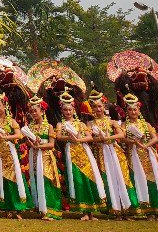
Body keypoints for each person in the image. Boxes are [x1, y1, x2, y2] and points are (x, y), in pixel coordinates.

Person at [54, 91, 104, 219]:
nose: (68, 112)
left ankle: (91, 212)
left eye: (70, 109)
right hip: (71, 153)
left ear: (73, 109)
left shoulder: (81, 124)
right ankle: (83, 211)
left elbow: (89, 137)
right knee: (77, 180)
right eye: (65, 110)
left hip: (84, 152)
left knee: (88, 179)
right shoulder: (60, 124)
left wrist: (78, 139)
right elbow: (58, 137)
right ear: (62, 111)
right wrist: (70, 138)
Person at [0, 92, 30, 218]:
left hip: (10, 150)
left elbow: (19, 135)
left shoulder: (11, 120)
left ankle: (17, 207)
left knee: (14, 177)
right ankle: (6, 207)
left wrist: (5, 137)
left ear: (4, 106)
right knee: (0, 177)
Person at [122, 93, 158, 215]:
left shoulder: (146, 124)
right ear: (126, 111)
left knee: (153, 180)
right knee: (138, 180)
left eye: (135, 109)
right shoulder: (124, 125)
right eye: (130, 110)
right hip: (133, 155)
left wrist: (146, 145)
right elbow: (122, 139)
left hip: (148, 155)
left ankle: (157, 208)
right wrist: (133, 141)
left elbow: (155, 138)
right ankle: (144, 209)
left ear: (139, 110)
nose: (133, 112)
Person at [86, 90, 133, 216]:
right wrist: (100, 139)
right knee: (107, 178)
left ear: (104, 106)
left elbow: (121, 134)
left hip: (114, 152)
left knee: (121, 177)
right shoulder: (90, 124)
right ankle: (113, 207)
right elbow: (89, 138)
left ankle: (126, 206)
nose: (97, 109)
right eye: (94, 107)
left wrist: (109, 138)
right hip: (100, 153)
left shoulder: (111, 121)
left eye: (100, 106)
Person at [22, 95, 62, 220]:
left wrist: (39, 145)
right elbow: (28, 143)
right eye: (31, 111)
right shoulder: (30, 127)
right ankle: (40, 208)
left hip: (45, 156)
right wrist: (30, 143)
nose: (33, 113)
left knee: (46, 179)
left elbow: (51, 144)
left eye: (36, 111)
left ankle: (51, 209)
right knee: (35, 179)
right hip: (34, 155)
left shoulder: (49, 126)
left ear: (42, 111)